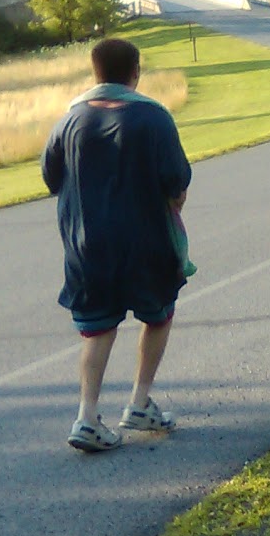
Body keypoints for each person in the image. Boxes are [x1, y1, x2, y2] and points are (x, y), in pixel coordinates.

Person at [42, 37, 192, 453]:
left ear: (95, 72)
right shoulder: (154, 118)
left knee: (97, 327)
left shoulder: (70, 119)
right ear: (136, 72)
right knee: (159, 313)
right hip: (146, 238)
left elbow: (52, 178)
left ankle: (87, 416)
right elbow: (175, 181)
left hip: (85, 244)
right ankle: (140, 401)